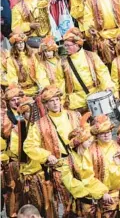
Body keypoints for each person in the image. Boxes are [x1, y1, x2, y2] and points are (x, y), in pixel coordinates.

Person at [23, 85, 80, 217]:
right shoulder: (40, 124)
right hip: (60, 166)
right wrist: (46, 156)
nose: (55, 103)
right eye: (51, 101)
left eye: (56, 99)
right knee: (68, 202)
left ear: (60, 100)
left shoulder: (73, 115)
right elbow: (28, 146)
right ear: (46, 105)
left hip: (79, 162)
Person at [59, 112, 109, 217]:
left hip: (101, 202)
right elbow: (71, 183)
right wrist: (94, 191)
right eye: (88, 141)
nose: (91, 143)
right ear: (79, 143)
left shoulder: (94, 154)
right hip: (83, 205)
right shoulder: (67, 162)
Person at [55, 28, 115, 112]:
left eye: (68, 45)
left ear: (77, 45)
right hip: (76, 102)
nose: (65, 48)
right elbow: (59, 83)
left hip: (95, 96)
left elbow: (102, 72)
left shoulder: (91, 56)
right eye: (65, 45)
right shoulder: (62, 63)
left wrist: (108, 86)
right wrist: (62, 101)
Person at [86, 114, 120, 217]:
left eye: (108, 132)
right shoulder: (90, 152)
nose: (107, 135)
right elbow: (87, 177)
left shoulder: (117, 147)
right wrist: (102, 193)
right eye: (103, 133)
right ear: (97, 135)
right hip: (106, 197)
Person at [7, 32, 50, 96]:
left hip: (36, 89)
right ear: (15, 45)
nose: (21, 45)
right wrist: (16, 89)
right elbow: (12, 76)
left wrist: (44, 85)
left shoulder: (31, 55)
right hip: (22, 91)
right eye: (18, 43)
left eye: (22, 43)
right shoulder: (11, 59)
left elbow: (39, 71)